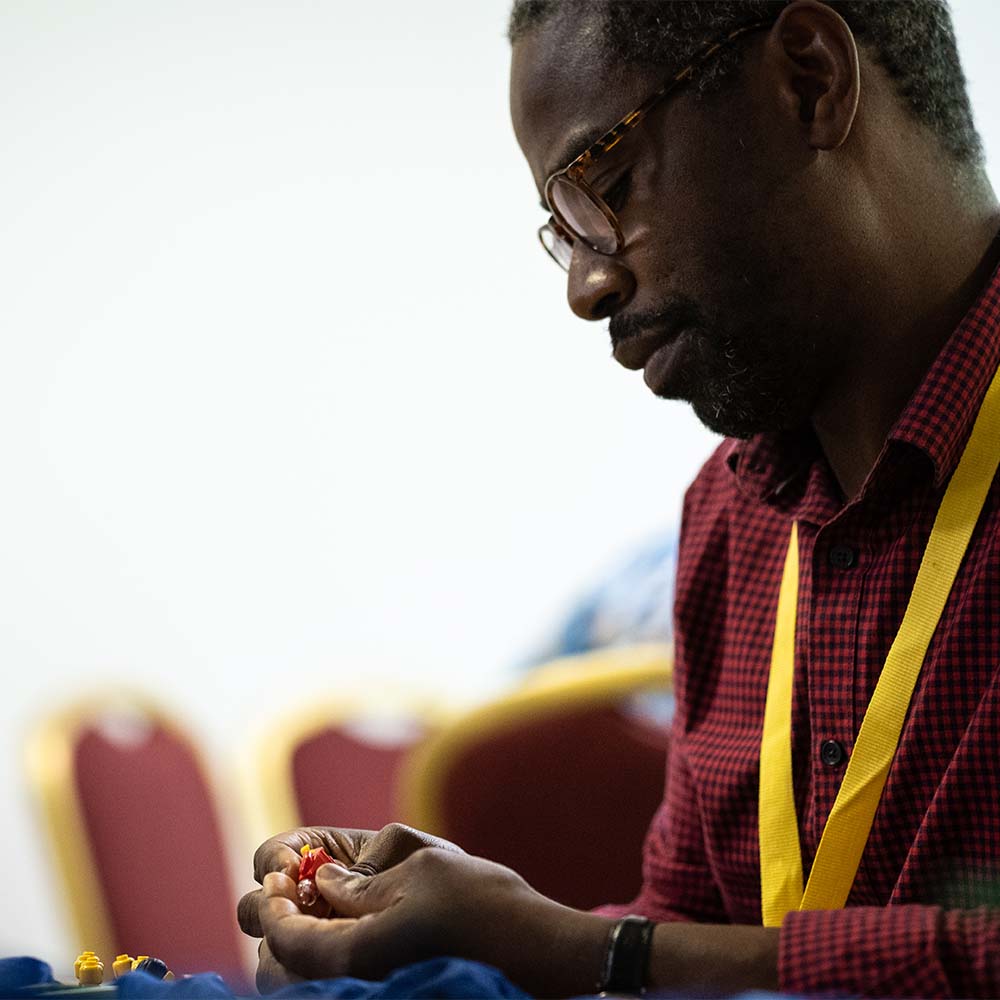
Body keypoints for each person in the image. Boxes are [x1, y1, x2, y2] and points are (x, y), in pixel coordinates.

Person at [237, 1, 1000, 995]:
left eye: (605, 184)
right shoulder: (733, 519)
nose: (587, 286)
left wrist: (588, 949)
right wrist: (475, 933)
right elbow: (695, 935)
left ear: (808, 81)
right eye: (563, 232)